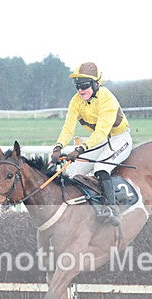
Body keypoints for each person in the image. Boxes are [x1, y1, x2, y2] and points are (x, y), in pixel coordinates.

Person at [51, 62, 132, 226]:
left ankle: (111, 209)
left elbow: (101, 131)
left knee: (101, 169)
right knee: (70, 172)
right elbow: (68, 128)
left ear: (96, 84)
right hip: (100, 141)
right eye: (77, 86)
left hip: (119, 138)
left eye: (84, 85)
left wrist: (81, 149)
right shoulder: (76, 101)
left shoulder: (107, 98)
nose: (80, 90)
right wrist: (58, 146)